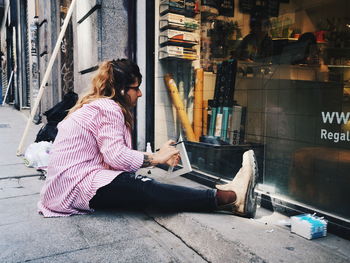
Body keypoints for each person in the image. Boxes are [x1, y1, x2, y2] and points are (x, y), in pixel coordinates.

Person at [38, 59, 258, 218]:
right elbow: (117, 157)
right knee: (145, 188)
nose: (140, 94)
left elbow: (114, 156)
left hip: (67, 185)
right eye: (136, 88)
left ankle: (223, 195)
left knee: (141, 187)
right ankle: (229, 198)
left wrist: (156, 156)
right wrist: (156, 158)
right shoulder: (108, 107)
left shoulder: (99, 105)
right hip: (74, 187)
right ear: (122, 90)